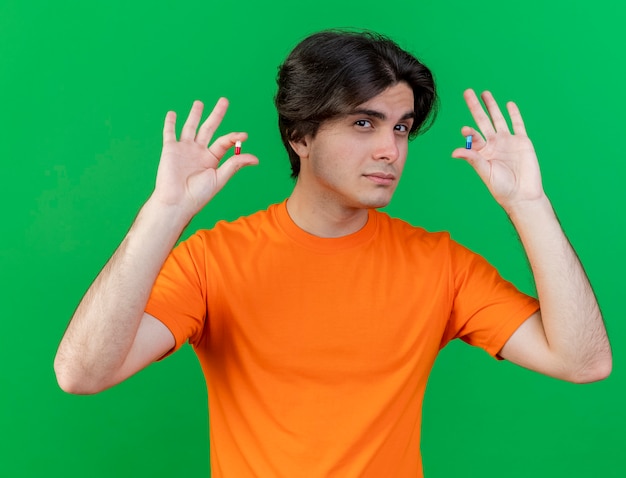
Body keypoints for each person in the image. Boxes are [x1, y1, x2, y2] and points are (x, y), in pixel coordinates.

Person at [54, 30, 612, 477]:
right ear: (299, 135)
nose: (389, 150)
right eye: (363, 123)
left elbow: (583, 361)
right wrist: (164, 214)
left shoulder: (440, 264)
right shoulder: (212, 260)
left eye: (401, 127)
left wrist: (529, 203)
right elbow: (82, 373)